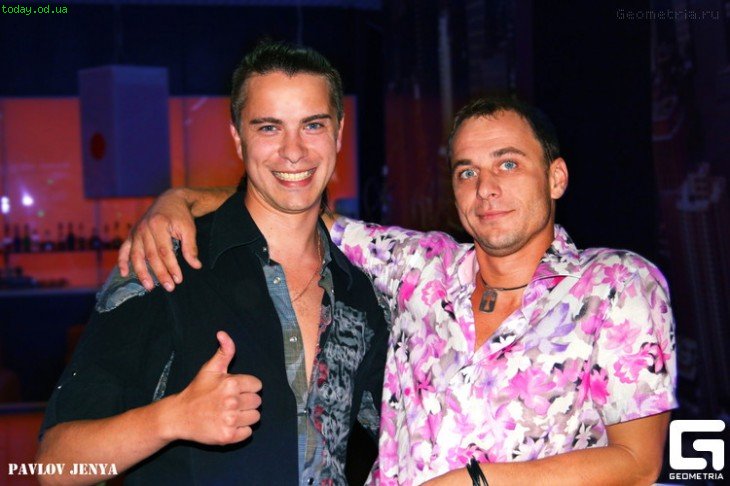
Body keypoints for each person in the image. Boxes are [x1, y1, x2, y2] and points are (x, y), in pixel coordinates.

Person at [121, 97, 677, 485]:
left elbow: (637, 463)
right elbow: (291, 209)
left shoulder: (617, 283)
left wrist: (476, 482)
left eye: (508, 164)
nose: (486, 188)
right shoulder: (421, 267)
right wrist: (180, 199)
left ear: (556, 177)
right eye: (467, 172)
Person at [37, 41, 388, 485]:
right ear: (238, 138)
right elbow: (54, 466)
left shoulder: (365, 289)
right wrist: (171, 419)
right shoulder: (164, 265)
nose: (294, 150)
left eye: (313, 125)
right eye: (269, 128)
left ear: (338, 133)